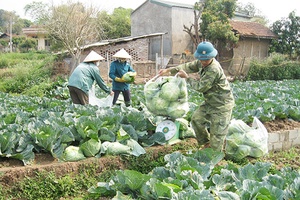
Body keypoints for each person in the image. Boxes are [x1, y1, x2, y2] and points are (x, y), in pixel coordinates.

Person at [158, 41, 235, 152]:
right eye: (201, 59)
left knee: (217, 136)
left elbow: (201, 87)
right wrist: (168, 71)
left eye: (206, 59)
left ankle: (215, 160)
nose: (203, 62)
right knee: (196, 120)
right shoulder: (201, 62)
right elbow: (186, 66)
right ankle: (206, 143)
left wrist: (187, 77)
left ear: (212, 57)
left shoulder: (213, 69)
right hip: (210, 102)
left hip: (222, 105)